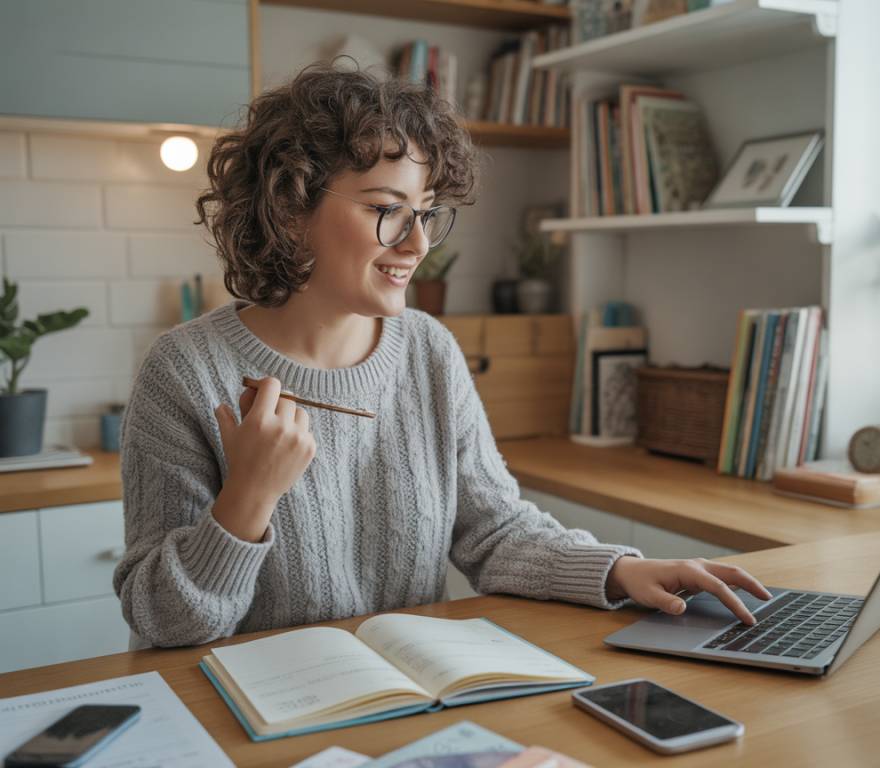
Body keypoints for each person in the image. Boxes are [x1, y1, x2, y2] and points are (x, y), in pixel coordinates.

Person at [113, 61, 770, 649]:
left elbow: (492, 529)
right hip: (251, 719)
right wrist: (247, 500)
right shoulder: (185, 371)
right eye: (386, 209)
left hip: (410, 702)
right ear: (288, 208)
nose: (417, 243)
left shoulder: (427, 349)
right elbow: (164, 622)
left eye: (426, 211)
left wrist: (619, 569)